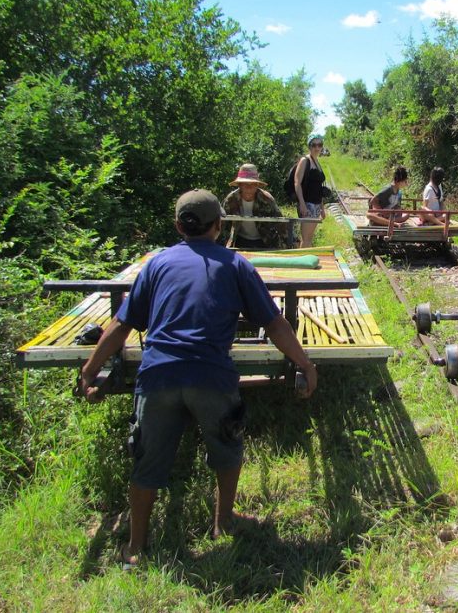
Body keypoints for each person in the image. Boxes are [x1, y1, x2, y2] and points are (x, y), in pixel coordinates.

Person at [78, 189, 318, 569]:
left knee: (146, 458)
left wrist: (90, 371)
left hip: (158, 374)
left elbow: (121, 324)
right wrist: (305, 363)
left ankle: (137, 546)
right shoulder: (236, 265)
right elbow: (274, 323)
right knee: (226, 445)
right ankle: (224, 521)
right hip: (210, 374)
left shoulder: (156, 265)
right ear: (220, 226)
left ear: (178, 226)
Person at [221, 163, 287, 249]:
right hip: (240, 240)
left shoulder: (267, 199)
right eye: (245, 184)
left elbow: (281, 223)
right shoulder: (231, 199)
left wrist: (289, 245)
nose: (249, 187)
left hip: (265, 241)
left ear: (257, 185)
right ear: (239, 185)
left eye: (252, 184)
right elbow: (222, 224)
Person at [293, 134, 328, 248]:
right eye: (314, 145)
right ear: (309, 146)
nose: (317, 148)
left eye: (320, 145)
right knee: (306, 239)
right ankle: (302, 263)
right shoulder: (305, 160)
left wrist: (322, 208)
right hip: (307, 204)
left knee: (309, 238)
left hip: (316, 204)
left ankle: (305, 260)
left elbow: (318, 187)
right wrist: (302, 204)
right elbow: (297, 182)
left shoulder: (317, 161)